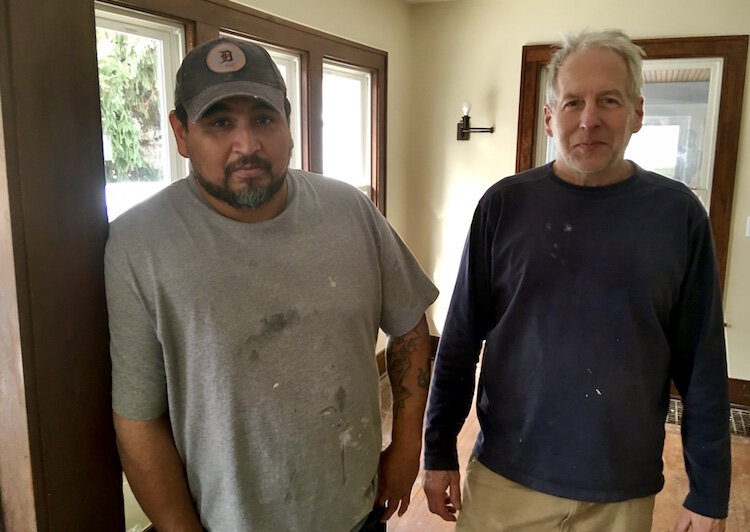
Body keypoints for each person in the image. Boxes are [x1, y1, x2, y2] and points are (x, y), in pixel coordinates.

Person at [105, 37, 438, 531]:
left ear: (288, 123)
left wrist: (408, 446)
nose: (247, 145)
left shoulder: (350, 211)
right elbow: (139, 419)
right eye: (220, 123)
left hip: (357, 512)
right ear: (180, 132)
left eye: (264, 118)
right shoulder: (140, 244)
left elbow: (410, 326)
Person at [422, 29, 730, 532]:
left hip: (620, 492)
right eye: (573, 102)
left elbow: (703, 365)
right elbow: (458, 339)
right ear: (550, 117)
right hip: (506, 480)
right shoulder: (504, 206)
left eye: (609, 100)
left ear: (637, 113)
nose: (589, 119)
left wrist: (709, 492)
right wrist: (437, 451)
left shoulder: (678, 216)